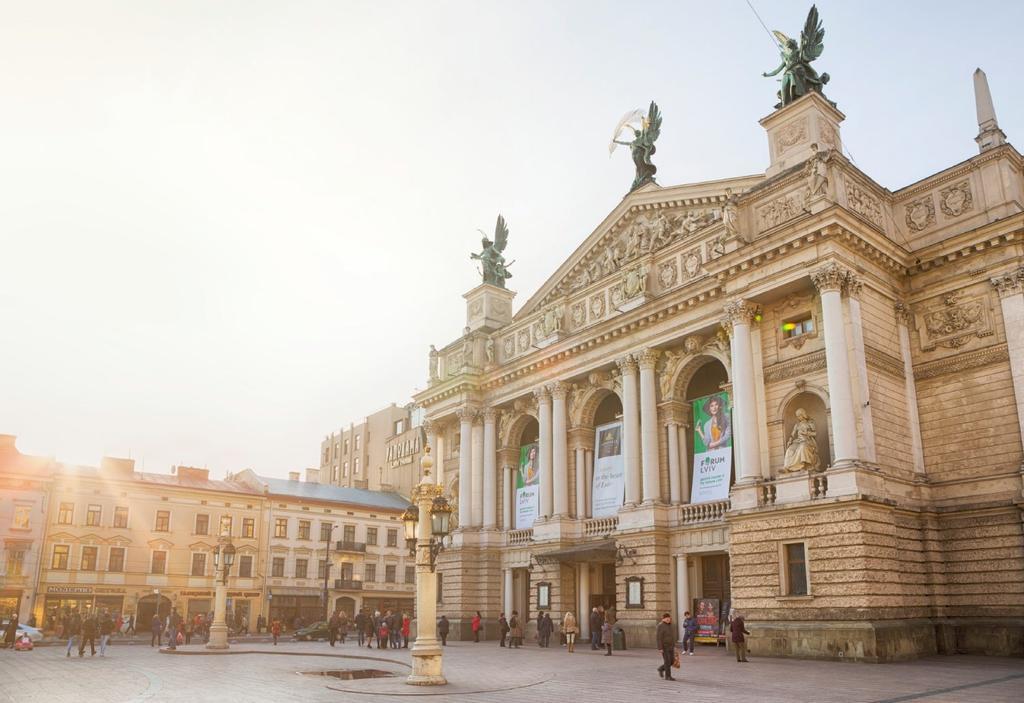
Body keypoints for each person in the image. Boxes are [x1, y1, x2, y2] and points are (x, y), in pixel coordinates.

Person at [656, 613, 676, 680]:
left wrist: (674, 645)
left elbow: (672, 636)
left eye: (669, 618)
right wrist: (660, 648)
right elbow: (658, 638)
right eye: (666, 618)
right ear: (663, 619)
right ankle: (668, 676)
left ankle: (661, 668)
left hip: (671, 646)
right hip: (664, 646)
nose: (668, 619)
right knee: (667, 661)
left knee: (672, 661)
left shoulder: (670, 625)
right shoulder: (660, 626)